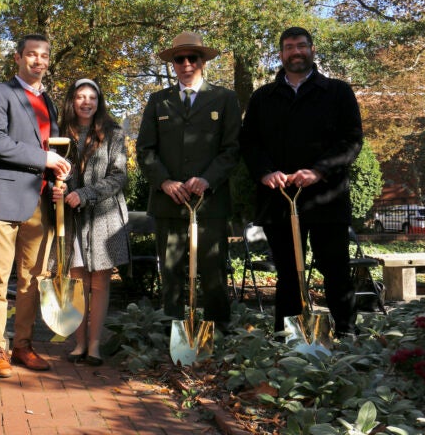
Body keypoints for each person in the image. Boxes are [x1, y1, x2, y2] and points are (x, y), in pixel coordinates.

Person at [239, 26, 363, 338]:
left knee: (334, 268)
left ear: (312, 49)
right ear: (281, 54)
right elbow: (249, 143)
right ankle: (289, 337)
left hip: (327, 198)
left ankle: (346, 332)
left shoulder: (337, 92)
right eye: (289, 47)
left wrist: (319, 171)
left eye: (302, 46)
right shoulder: (263, 98)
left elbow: (351, 141)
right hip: (279, 200)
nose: (296, 52)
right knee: (288, 274)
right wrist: (266, 172)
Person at [0, 34, 71, 378]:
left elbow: (54, 148)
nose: (37, 61)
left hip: (40, 201)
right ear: (18, 58)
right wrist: (44, 157)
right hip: (2, 199)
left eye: (43, 56)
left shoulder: (48, 100)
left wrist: (59, 172)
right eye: (31, 54)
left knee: (32, 279)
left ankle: (23, 345)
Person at [136, 32, 241, 333]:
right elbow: (145, 149)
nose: (185, 64)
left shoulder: (224, 99)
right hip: (169, 202)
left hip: (210, 203)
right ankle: (172, 333)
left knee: (213, 272)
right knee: (170, 272)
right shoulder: (159, 102)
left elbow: (232, 149)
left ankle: (218, 332)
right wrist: (165, 182)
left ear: (202, 61)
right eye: (179, 59)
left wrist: (207, 179)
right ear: (172, 64)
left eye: (192, 58)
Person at [51, 78, 128, 366]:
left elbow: (119, 176)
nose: (87, 102)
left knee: (99, 283)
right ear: (72, 101)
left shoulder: (113, 133)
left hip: (103, 216)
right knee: (77, 280)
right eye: (81, 96)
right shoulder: (60, 134)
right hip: (71, 219)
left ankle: (94, 345)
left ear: (99, 102)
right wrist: (59, 190)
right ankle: (78, 342)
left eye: (92, 97)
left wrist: (85, 194)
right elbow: (55, 174)